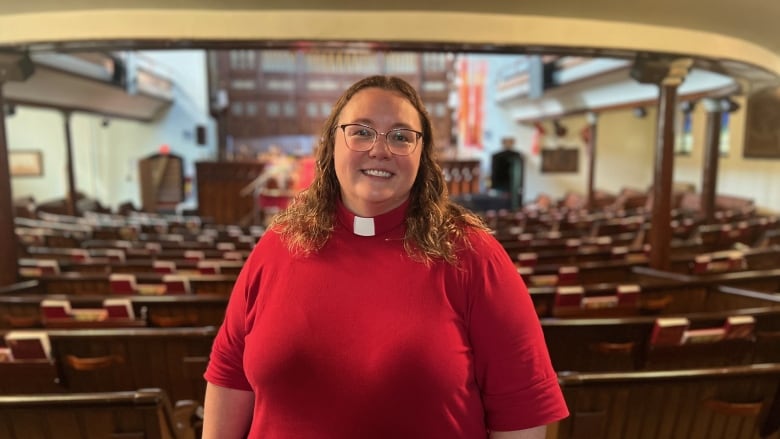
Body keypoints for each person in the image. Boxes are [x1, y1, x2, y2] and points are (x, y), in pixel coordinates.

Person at [203, 75, 568, 438]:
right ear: (332, 144)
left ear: (422, 154)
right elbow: (229, 375)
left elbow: (523, 410)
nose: (380, 149)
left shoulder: (472, 255)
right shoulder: (278, 246)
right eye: (361, 131)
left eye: (400, 136)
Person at [490, 136, 524, 209]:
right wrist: (493, 186)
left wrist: (520, 186)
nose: (508, 145)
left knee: (513, 206)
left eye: (510, 142)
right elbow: (494, 172)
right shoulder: (497, 156)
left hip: (514, 186)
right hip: (500, 185)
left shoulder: (517, 155)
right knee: (500, 205)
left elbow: (520, 173)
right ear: (503, 143)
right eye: (507, 142)